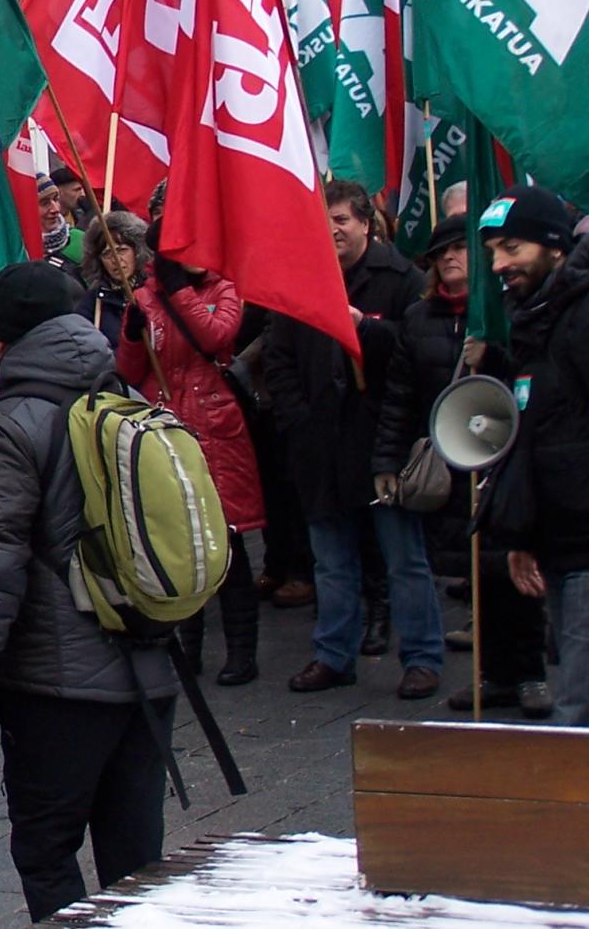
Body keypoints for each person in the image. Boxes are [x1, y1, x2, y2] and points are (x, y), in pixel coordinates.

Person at [0, 262, 177, 923]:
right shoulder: (123, 392)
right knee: (138, 868)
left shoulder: (6, 424)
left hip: (57, 684)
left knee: (48, 853)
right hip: (149, 664)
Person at [267, 179, 437, 698]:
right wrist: (299, 419)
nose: (333, 230)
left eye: (341, 219)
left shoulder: (401, 279)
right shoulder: (298, 281)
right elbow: (278, 360)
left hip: (381, 443)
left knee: (403, 559)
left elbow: (417, 353)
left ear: (366, 223)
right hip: (320, 447)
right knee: (331, 562)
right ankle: (332, 654)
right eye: (324, 220)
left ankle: (423, 657)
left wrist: (367, 328)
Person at [374, 215, 545, 716]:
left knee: (512, 567)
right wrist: (386, 458)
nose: (449, 259)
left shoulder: (507, 313)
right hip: (455, 461)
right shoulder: (419, 317)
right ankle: (490, 674)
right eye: (440, 253)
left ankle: (530, 672)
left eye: (459, 249)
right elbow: (400, 398)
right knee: (476, 575)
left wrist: (493, 351)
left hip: (506, 459)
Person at [117, 218, 263, 685]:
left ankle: (242, 650)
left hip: (216, 426)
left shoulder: (224, 289)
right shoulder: (142, 297)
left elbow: (215, 338)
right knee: (181, 540)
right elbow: (131, 368)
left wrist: (178, 291)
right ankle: (188, 648)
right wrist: (131, 333)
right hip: (167, 427)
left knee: (231, 542)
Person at [478, 187, 589, 726]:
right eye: (494, 251)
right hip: (564, 544)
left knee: (577, 707)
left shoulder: (580, 317)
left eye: (512, 248)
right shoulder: (537, 318)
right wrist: (523, 535)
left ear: (554, 246)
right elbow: (534, 437)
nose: (499, 265)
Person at [79, 212, 147, 351]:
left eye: (122, 250)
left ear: (137, 251)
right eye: (107, 254)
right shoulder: (94, 301)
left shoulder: (155, 292)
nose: (115, 259)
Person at [37, 176, 84, 273]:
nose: (56, 209)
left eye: (55, 199)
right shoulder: (15, 251)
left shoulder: (82, 240)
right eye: (45, 203)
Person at [50, 166, 93, 231]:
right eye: (77, 190)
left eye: (83, 189)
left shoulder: (81, 216)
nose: (82, 194)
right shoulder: (48, 221)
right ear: (58, 191)